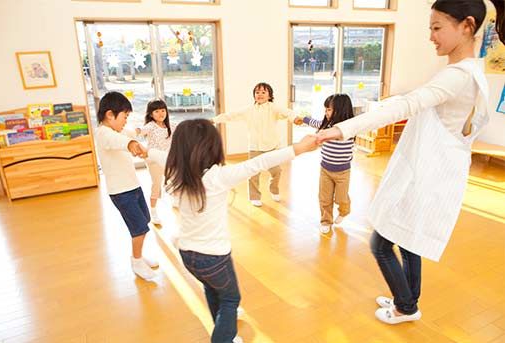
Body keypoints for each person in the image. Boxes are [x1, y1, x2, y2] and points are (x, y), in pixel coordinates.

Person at [317, 0, 504, 325]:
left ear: (467, 25)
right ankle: (407, 299)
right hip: (429, 171)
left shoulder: (458, 76)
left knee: (381, 243)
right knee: (408, 238)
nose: (431, 36)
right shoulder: (471, 72)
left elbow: (408, 105)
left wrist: (338, 130)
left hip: (425, 174)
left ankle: (405, 305)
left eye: (436, 27)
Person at [147, 119, 318, 343]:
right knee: (230, 299)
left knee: (211, 288)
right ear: (212, 147)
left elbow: (159, 155)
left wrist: (141, 148)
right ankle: (223, 338)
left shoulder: (178, 169)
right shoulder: (217, 177)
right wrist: (299, 148)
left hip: (187, 254)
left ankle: (224, 329)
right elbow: (259, 163)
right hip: (214, 257)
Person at [95, 91, 158, 280]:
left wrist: (141, 133)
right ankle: (136, 261)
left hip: (133, 186)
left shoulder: (118, 130)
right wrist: (131, 144)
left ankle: (139, 256)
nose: (125, 120)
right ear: (110, 115)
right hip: (121, 192)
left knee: (145, 219)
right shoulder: (103, 133)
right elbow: (120, 141)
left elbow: (130, 133)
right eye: (124, 116)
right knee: (139, 228)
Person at [211, 82, 299, 207]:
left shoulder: (273, 108)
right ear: (254, 95)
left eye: (263, 92)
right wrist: (214, 120)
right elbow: (231, 115)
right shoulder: (249, 110)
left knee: (276, 171)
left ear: (269, 95)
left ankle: (274, 189)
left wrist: (295, 118)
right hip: (254, 147)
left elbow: (288, 112)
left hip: (272, 146)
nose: (260, 94)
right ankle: (254, 196)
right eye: (257, 92)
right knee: (252, 173)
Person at [295, 94, 355, 234]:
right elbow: (315, 123)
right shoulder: (326, 124)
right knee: (324, 198)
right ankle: (326, 221)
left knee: (341, 198)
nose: (326, 113)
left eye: (329, 109)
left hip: (343, 172)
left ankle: (344, 210)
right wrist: (303, 118)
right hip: (325, 170)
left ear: (340, 109)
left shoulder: (350, 128)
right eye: (325, 109)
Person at [136, 99, 175, 225]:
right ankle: (153, 211)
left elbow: (183, 128)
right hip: (153, 160)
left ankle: (175, 199)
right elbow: (140, 130)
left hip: (165, 158)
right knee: (156, 185)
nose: (160, 114)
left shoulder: (170, 126)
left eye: (163, 110)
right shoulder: (151, 126)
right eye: (156, 111)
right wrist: (134, 131)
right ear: (151, 114)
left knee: (175, 178)